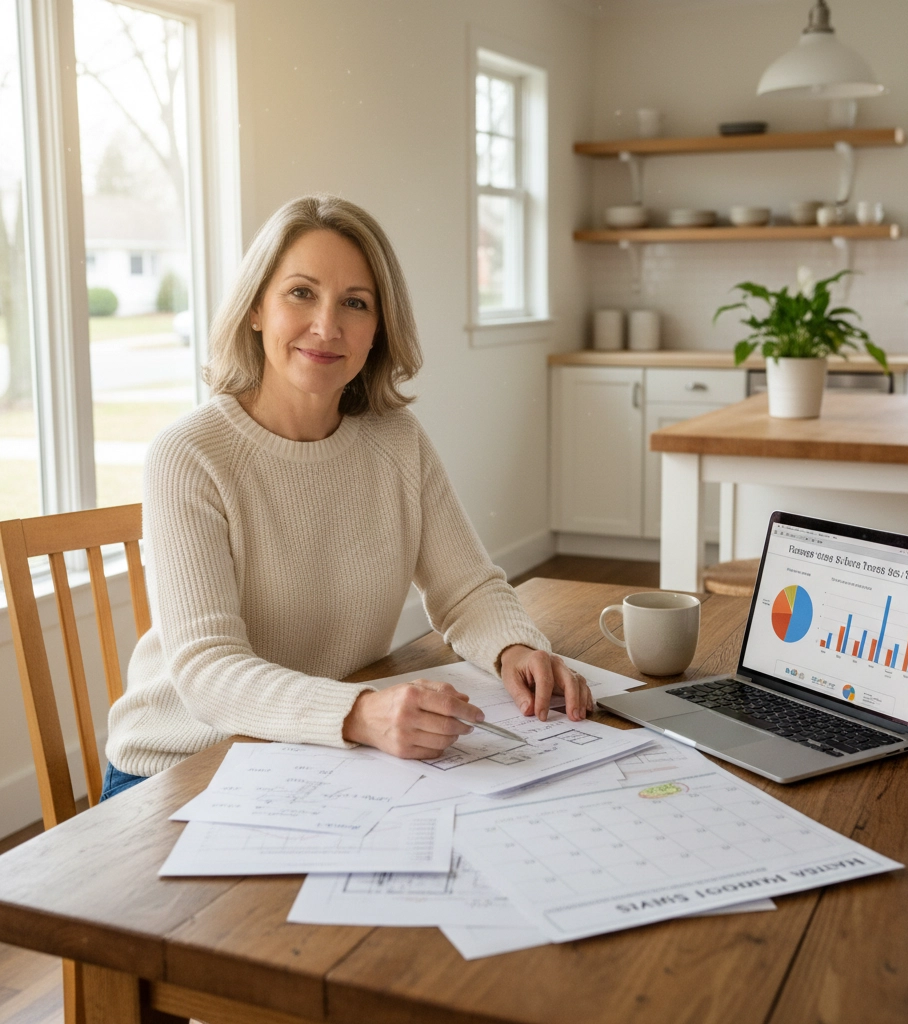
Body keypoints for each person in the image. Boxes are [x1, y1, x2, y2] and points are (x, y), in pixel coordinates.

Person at [101, 194, 592, 801]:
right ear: (256, 307)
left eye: (355, 304)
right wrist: (362, 713)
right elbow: (209, 672)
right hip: (181, 768)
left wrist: (514, 645)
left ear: (378, 328)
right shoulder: (189, 455)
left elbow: (466, 588)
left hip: (315, 754)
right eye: (300, 293)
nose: (327, 327)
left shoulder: (396, 441)